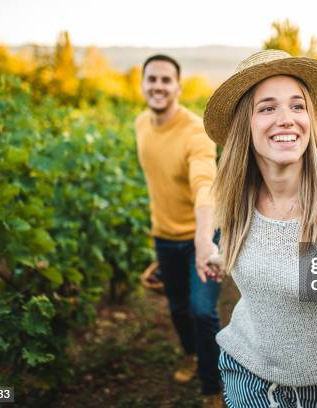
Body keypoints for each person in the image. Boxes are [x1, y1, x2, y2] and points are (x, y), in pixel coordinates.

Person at [203, 50, 317, 407]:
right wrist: (220, 257)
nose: (286, 119)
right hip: (245, 375)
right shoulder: (237, 198)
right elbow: (256, 252)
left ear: (311, 121)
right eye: (268, 108)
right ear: (247, 125)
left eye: (298, 106)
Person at [135, 54, 223, 406]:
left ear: (178, 87)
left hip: (201, 236)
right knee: (177, 308)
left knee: (203, 311)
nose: (158, 86)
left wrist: (204, 240)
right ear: (143, 85)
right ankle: (190, 354)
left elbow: (205, 184)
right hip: (163, 237)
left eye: (165, 80)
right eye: (152, 79)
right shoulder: (141, 124)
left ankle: (212, 385)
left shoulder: (195, 132)